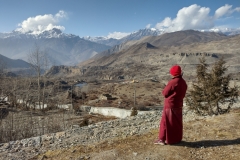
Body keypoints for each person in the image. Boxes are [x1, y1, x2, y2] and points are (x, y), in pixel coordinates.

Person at [154, 65, 187, 145]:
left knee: (165, 122)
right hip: (178, 104)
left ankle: (162, 139)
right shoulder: (183, 82)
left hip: (170, 105)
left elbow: (165, 93)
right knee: (177, 122)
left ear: (173, 73)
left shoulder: (173, 82)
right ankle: (176, 139)